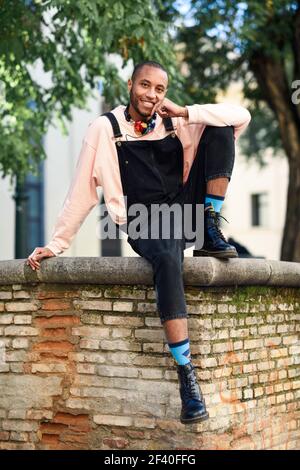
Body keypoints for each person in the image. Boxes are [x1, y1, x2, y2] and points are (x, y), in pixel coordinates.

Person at [27, 60, 251, 424]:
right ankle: (187, 378)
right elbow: (82, 189)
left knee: (220, 128)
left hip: (184, 210)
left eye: (159, 89)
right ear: (131, 84)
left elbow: (240, 116)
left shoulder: (175, 120)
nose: (151, 95)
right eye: (145, 86)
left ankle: (209, 227)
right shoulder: (105, 128)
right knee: (166, 257)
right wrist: (57, 243)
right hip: (144, 220)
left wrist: (186, 111)